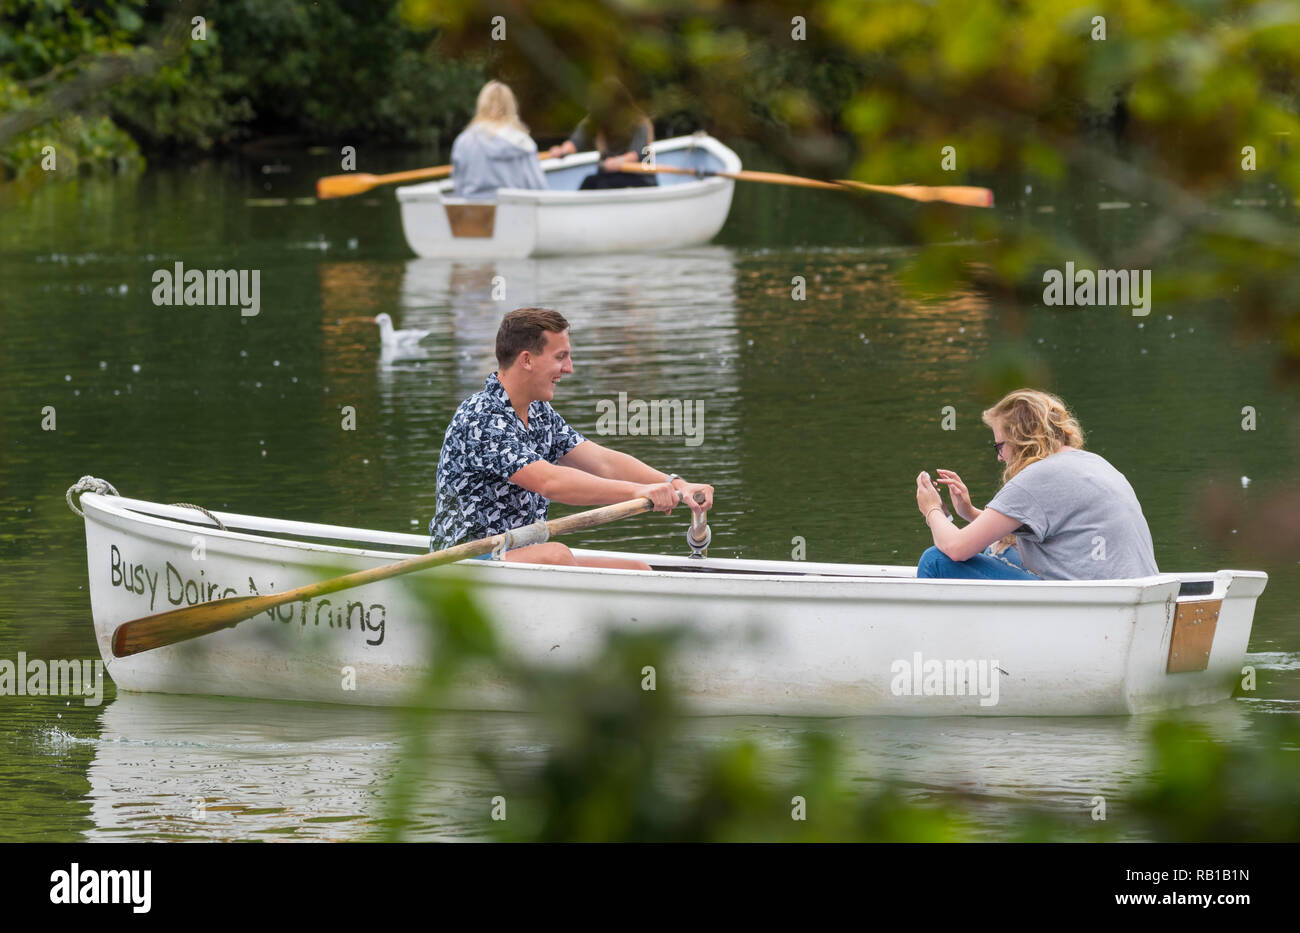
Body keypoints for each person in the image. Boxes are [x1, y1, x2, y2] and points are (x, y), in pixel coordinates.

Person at [430, 307, 714, 569]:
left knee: (637, 571)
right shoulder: (480, 418)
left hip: (518, 554)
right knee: (556, 555)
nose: (569, 368)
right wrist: (636, 492)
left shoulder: (539, 412)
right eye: (560, 357)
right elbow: (549, 482)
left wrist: (676, 484)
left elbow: (603, 461)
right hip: (463, 561)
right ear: (526, 360)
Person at [914, 389, 1158, 580]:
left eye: (1000, 446)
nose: (999, 457)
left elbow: (955, 548)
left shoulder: (1038, 477)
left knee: (934, 560)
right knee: (1002, 548)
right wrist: (968, 513)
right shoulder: (1095, 463)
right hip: (1132, 595)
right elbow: (1018, 533)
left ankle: (927, 642)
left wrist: (932, 509)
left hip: (1090, 605)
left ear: (1021, 439)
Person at [545, 78, 657, 190]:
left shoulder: (640, 123)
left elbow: (635, 154)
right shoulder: (595, 121)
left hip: (639, 177)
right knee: (588, 183)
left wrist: (618, 161)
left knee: (604, 185)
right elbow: (575, 143)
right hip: (609, 175)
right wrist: (562, 150)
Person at [449, 81, 548, 200]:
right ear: (511, 106)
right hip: (513, 211)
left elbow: (459, 185)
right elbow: (538, 187)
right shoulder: (522, 142)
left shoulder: (464, 140)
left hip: (473, 212)